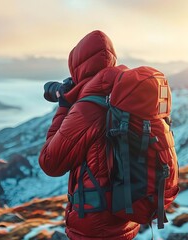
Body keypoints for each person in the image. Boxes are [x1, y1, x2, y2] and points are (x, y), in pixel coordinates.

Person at [38, 30, 140, 239]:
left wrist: (64, 106)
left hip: (94, 223)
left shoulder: (89, 108)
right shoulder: (126, 94)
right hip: (127, 214)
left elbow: (50, 162)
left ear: (78, 66)